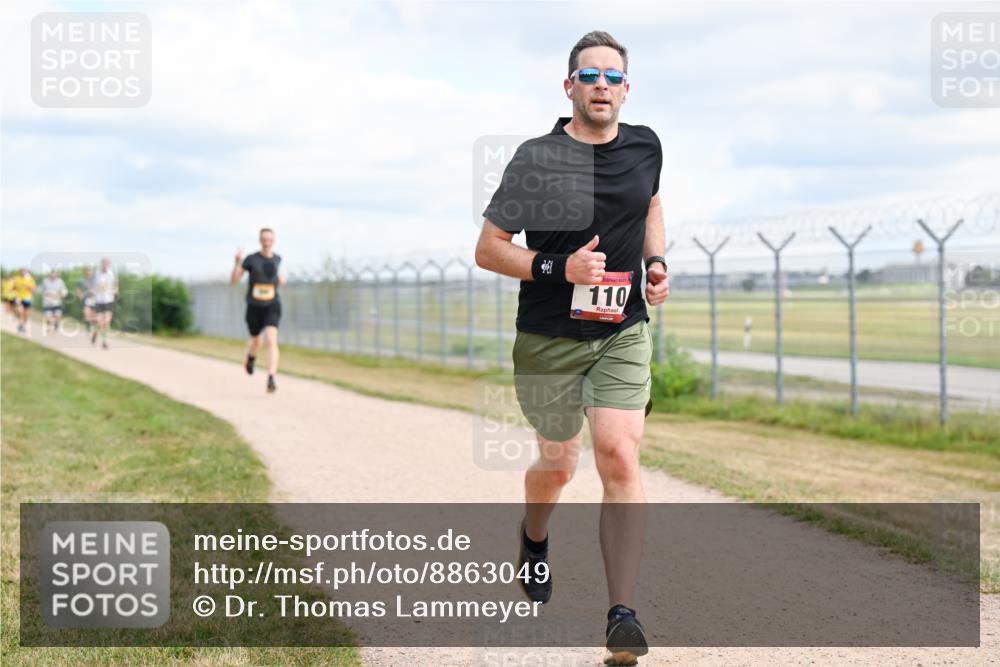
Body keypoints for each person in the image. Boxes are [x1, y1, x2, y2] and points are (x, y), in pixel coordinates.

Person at [474, 31, 669, 665]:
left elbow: (651, 202)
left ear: (626, 89)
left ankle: (622, 615)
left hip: (621, 331)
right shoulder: (536, 158)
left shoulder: (646, 145)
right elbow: (489, 248)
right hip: (549, 338)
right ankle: (534, 537)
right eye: (590, 76)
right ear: (569, 87)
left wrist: (656, 262)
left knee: (619, 455)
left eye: (613, 77)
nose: (601, 86)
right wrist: (561, 269)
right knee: (559, 462)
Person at [230, 227, 285, 393]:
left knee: (271, 340)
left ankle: (271, 378)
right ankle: (251, 357)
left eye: (270, 239)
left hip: (272, 305)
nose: (267, 242)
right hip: (254, 307)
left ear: (274, 241)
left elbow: (275, 275)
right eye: (264, 239)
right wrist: (237, 263)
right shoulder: (251, 259)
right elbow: (234, 280)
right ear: (260, 240)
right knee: (257, 342)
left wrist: (280, 279)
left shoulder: (278, 259)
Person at [91, 258, 117, 349]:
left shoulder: (112, 274)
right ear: (101, 264)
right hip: (98, 301)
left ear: (109, 265)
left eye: (107, 264)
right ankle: (95, 333)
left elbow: (115, 285)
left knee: (107, 321)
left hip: (108, 300)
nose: (105, 265)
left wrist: (114, 290)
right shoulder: (96, 274)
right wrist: (93, 292)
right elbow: (91, 286)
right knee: (99, 322)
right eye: (104, 263)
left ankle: (104, 342)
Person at [12, 268, 37, 334]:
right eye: (22, 271)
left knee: (26, 314)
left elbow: (34, 290)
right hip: (19, 298)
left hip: (27, 298)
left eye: (25, 272)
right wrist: (15, 294)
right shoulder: (17, 279)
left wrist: (31, 287)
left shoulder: (30, 279)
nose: (23, 273)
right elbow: (13, 288)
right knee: (20, 312)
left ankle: (23, 326)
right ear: (20, 272)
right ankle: (21, 324)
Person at [75, 266, 97, 333]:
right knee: (87, 313)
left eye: (90, 271)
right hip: (86, 299)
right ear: (84, 272)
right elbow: (78, 290)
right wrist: (80, 296)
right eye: (87, 271)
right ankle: (88, 329)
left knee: (94, 315)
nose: (88, 272)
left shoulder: (96, 280)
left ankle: (94, 327)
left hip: (95, 299)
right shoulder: (81, 281)